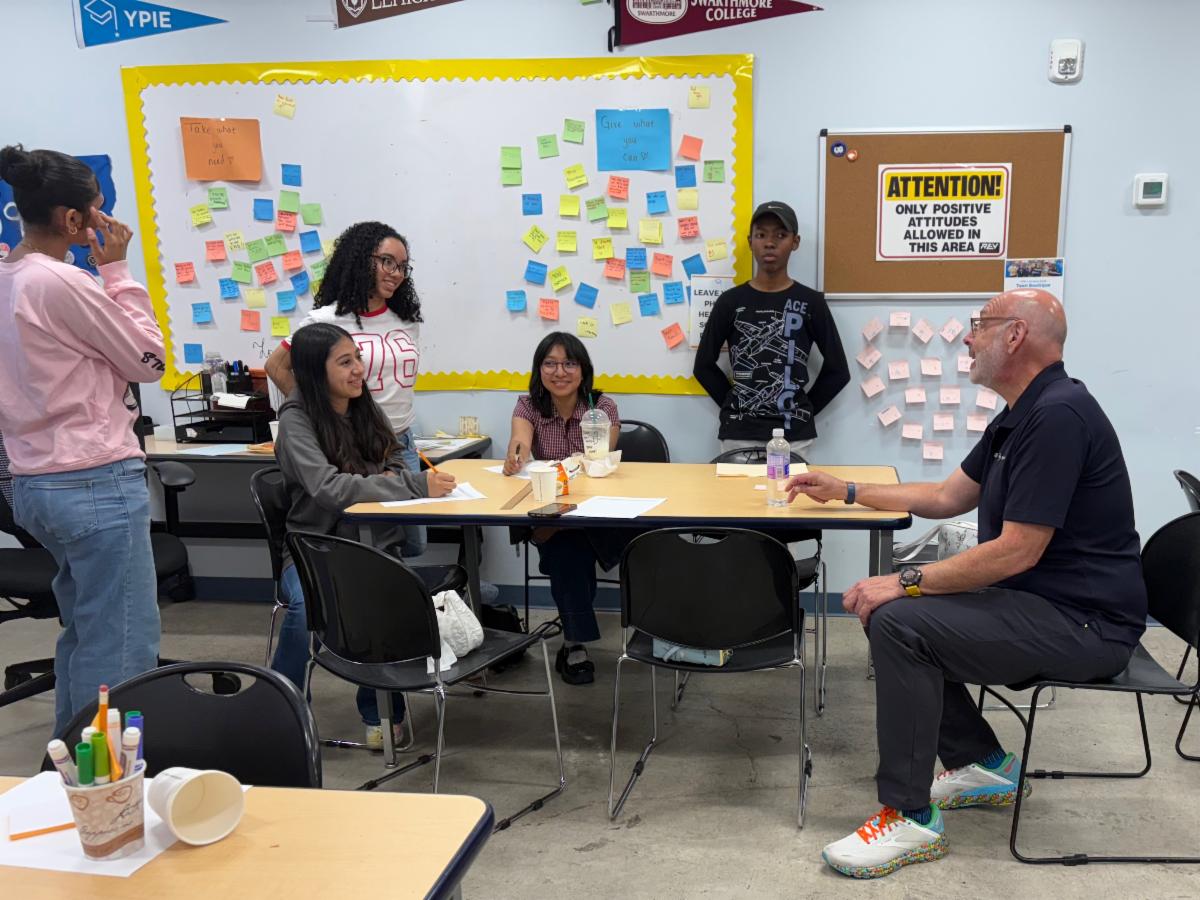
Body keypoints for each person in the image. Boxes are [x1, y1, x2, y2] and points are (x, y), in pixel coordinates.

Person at [787, 289, 1146, 879]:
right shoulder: (1023, 412)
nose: (968, 338)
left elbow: (1017, 551)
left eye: (980, 325)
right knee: (898, 615)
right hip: (1044, 604)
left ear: (1015, 336)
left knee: (900, 622)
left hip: (1087, 625)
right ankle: (982, 764)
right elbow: (945, 495)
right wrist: (846, 490)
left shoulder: (1058, 417)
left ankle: (910, 818)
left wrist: (905, 581)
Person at [0, 144, 165, 733]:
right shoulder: (62, 281)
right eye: (97, 209)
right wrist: (117, 271)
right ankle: (105, 778)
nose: (105, 220)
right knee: (122, 644)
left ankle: (69, 763)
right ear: (72, 219)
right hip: (92, 479)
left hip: (35, 481)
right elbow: (148, 360)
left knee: (87, 631)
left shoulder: (10, 277)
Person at [272, 322, 457, 748]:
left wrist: (387, 478)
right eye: (345, 362)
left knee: (384, 598)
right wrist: (407, 485)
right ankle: (282, 707)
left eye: (357, 358)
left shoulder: (362, 405)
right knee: (304, 609)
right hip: (314, 550)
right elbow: (328, 488)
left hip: (372, 544)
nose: (358, 369)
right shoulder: (297, 421)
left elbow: (394, 457)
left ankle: (380, 711)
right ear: (314, 372)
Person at [266, 221, 427, 556]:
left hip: (398, 442)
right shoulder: (326, 320)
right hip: (352, 444)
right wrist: (320, 413)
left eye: (402, 266)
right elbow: (276, 366)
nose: (396, 273)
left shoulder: (406, 320)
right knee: (359, 535)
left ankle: (385, 582)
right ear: (360, 259)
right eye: (387, 262)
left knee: (411, 541)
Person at [502, 332, 622, 684]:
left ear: (583, 370)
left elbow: (599, 460)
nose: (559, 372)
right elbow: (520, 440)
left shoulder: (603, 407)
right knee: (570, 550)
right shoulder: (528, 406)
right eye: (550, 363)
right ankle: (574, 644)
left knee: (573, 544)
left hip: (595, 509)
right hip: (552, 505)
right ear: (538, 369)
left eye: (569, 363)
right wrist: (516, 456)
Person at [693, 201, 849, 457]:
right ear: (750, 241)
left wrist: (804, 411)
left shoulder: (811, 302)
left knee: (791, 487)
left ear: (795, 242)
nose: (769, 243)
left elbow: (839, 371)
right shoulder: (730, 302)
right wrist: (734, 404)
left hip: (793, 438)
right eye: (761, 234)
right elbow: (703, 366)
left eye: (780, 235)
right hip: (738, 436)